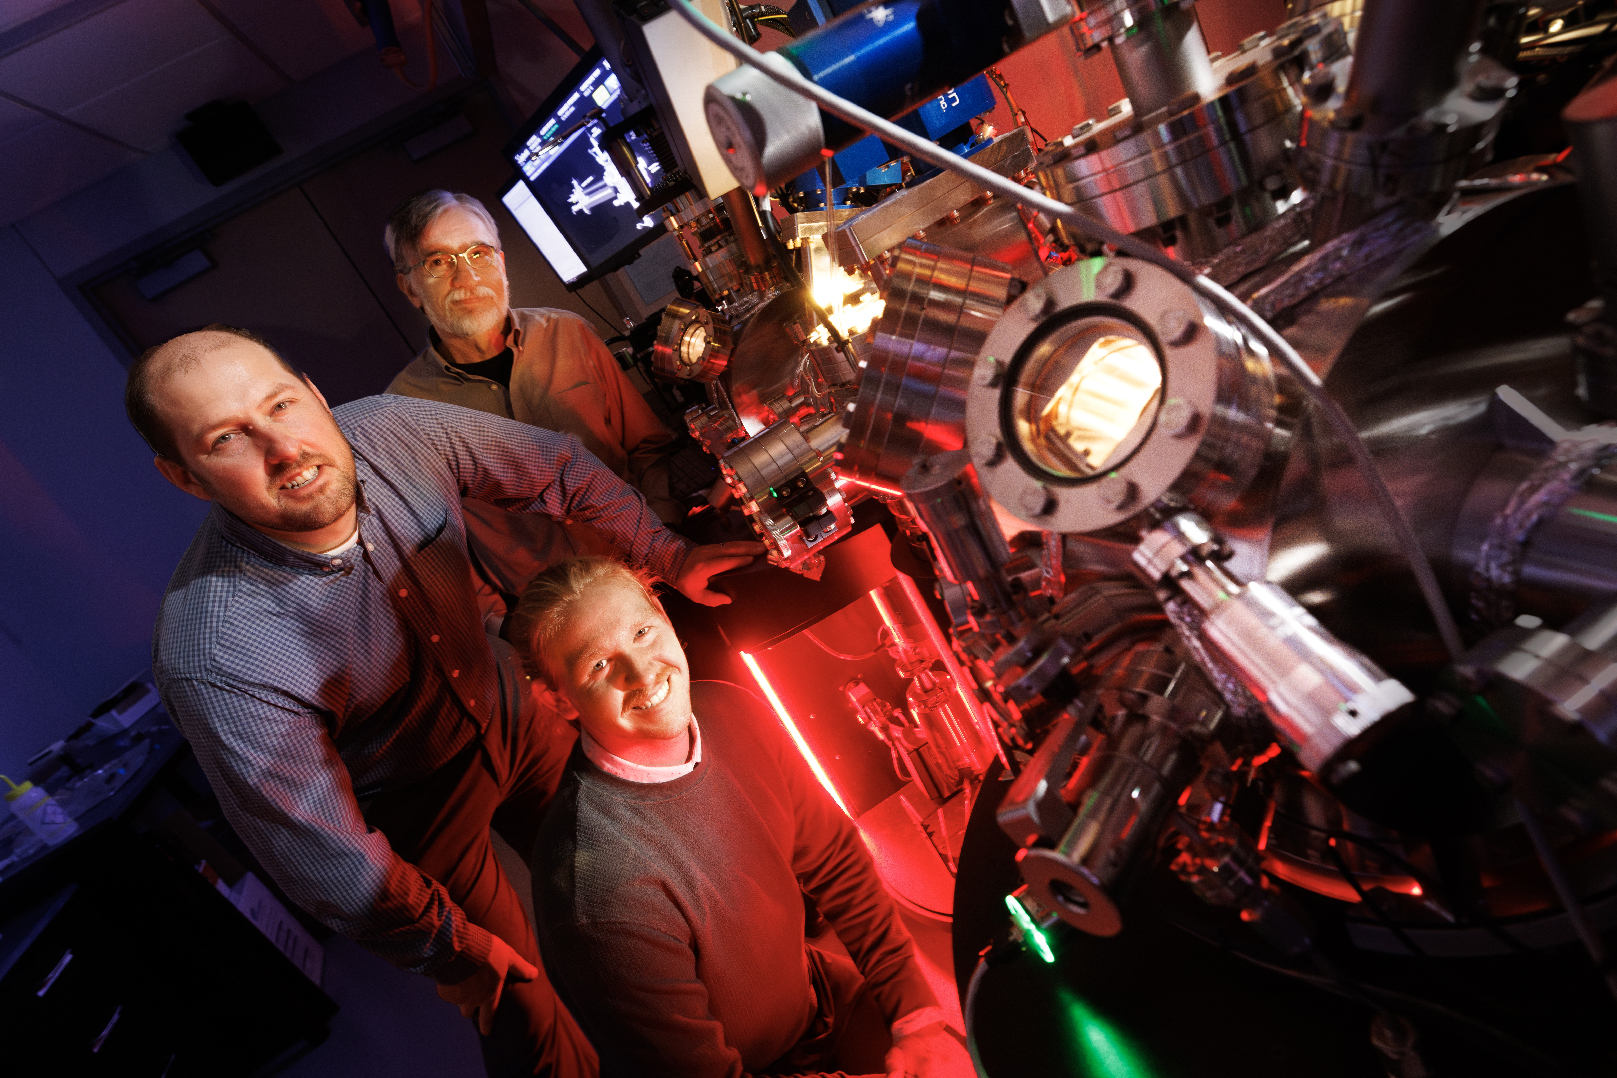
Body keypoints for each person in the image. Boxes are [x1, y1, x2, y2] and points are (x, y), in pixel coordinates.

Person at [128, 325, 761, 1078]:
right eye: (228, 438)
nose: (284, 450)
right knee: (520, 999)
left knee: (641, 885)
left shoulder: (391, 429)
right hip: (412, 799)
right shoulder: (215, 646)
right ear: (185, 478)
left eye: (282, 406)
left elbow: (552, 465)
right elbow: (318, 846)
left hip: (510, 708)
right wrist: (445, 949)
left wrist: (669, 555)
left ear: (317, 395)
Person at [510, 556, 976, 1078]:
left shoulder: (732, 711)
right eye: (599, 665)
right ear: (557, 698)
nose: (642, 673)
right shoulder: (596, 891)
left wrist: (915, 1016)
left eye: (643, 632)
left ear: (666, 619)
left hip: (818, 999)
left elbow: (837, 861)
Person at [383, 189, 681, 632]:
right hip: (551, 624)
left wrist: (666, 537)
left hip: (651, 569)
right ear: (410, 286)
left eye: (478, 253)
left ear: (501, 263)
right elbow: (441, 549)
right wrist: (506, 630)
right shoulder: (402, 413)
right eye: (439, 262)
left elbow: (648, 446)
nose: (467, 277)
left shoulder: (569, 333)